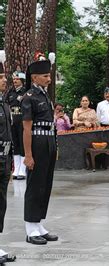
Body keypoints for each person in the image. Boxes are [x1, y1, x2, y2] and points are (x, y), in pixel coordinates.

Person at [22, 56, 59, 245]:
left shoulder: (44, 95)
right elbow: (26, 128)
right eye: (45, 75)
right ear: (35, 78)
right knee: (35, 186)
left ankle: (39, 224)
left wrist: (55, 146)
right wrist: (28, 155)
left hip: (48, 141)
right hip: (36, 142)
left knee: (45, 185)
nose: (49, 78)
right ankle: (30, 228)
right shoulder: (29, 98)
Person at [0, 59, 17, 263]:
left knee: (1, 204)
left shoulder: (4, 102)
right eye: (2, 77)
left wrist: (11, 161)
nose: (5, 80)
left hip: (3, 159)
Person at [6, 71, 27, 180]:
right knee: (15, 145)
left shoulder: (25, 92)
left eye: (17, 79)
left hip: (22, 120)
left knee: (23, 144)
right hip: (13, 121)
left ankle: (23, 169)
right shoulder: (10, 92)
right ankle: (16, 169)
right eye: (14, 79)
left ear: (22, 80)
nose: (15, 81)